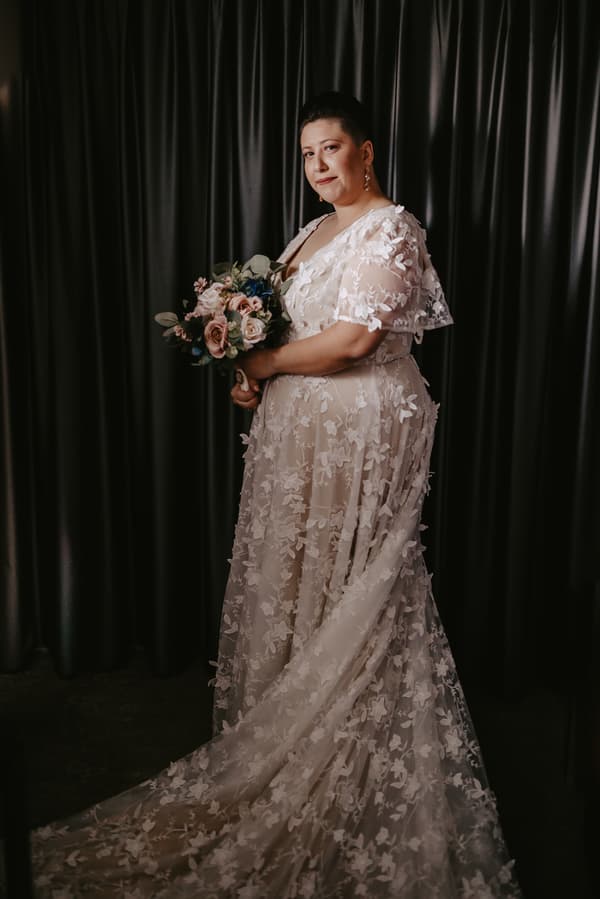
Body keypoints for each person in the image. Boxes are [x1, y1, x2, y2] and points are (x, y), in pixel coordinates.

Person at [28, 92, 521, 897]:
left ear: (367, 151)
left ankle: (344, 767)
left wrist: (262, 366)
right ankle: (288, 746)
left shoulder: (392, 227)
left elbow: (357, 338)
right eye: (307, 153)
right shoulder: (309, 231)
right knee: (299, 588)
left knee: (355, 595)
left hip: (360, 432)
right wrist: (252, 372)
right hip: (302, 437)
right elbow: (292, 337)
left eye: (332, 148)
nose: (319, 165)